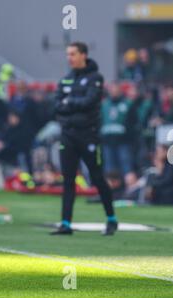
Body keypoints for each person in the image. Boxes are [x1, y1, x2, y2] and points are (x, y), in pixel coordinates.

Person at [52, 42, 118, 236]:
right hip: (68, 135)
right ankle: (65, 224)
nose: (69, 58)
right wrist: (72, 105)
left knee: (97, 178)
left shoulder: (95, 78)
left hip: (88, 135)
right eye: (67, 54)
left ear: (83, 55)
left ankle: (111, 219)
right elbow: (56, 106)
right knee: (68, 180)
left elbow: (89, 102)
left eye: (72, 54)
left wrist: (69, 102)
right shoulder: (65, 79)